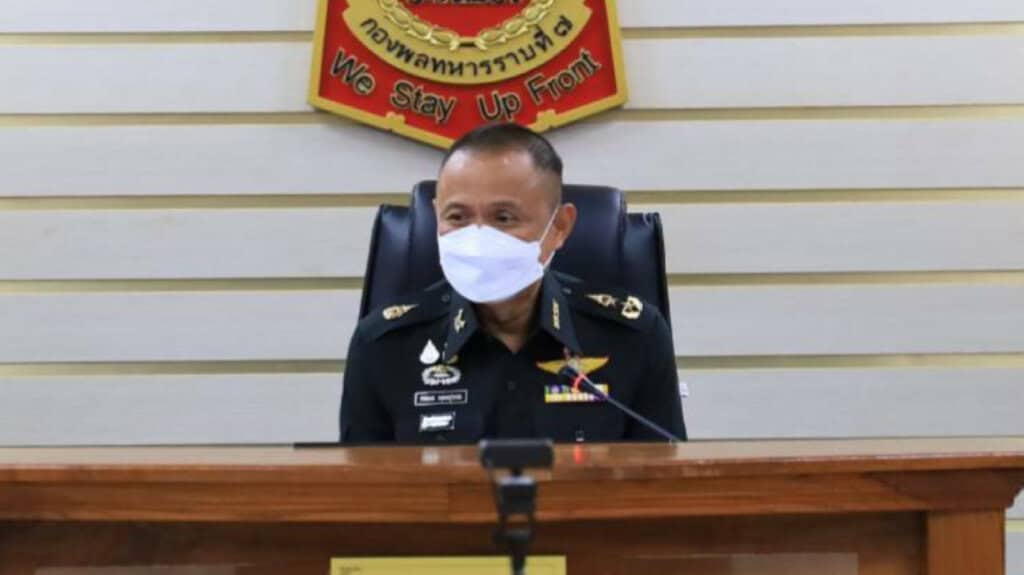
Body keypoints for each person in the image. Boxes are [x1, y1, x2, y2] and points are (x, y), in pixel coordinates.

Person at [339, 123, 686, 443]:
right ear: (435, 217)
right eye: (457, 217)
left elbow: (668, 480)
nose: (477, 238)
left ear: (560, 227)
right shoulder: (384, 345)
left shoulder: (632, 338)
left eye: (503, 218)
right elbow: (361, 486)